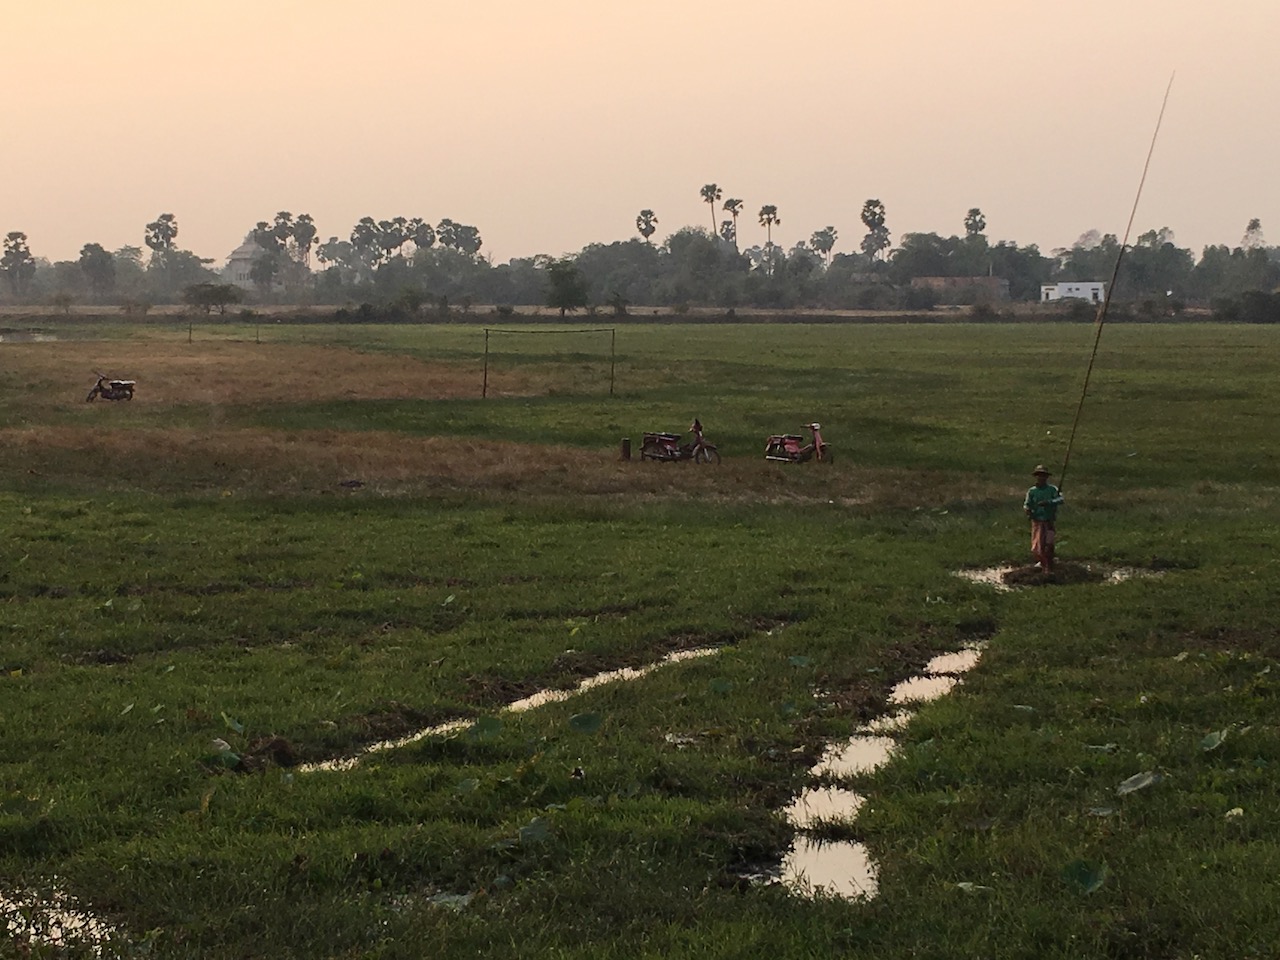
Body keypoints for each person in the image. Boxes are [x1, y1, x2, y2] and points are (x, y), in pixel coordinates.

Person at [1023, 464, 1064, 572]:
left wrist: (1049, 502)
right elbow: (1027, 504)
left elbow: (1060, 500)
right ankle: (1041, 562)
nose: (1041, 478)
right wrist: (1028, 510)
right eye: (1039, 475)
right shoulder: (1032, 491)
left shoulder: (1052, 489)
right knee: (1037, 544)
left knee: (1049, 543)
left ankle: (1049, 563)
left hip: (1049, 520)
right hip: (1037, 521)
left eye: (1043, 476)